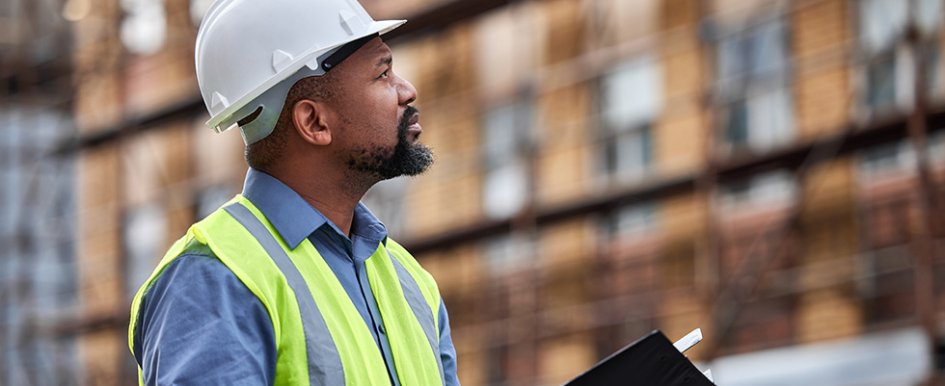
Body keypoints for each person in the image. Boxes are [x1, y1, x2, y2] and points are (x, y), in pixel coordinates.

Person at [127, 0, 459, 385]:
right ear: (314, 122)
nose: (407, 90)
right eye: (383, 74)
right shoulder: (213, 280)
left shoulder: (410, 280)